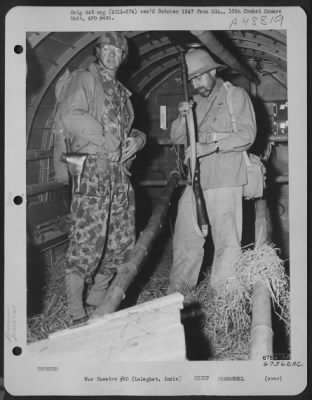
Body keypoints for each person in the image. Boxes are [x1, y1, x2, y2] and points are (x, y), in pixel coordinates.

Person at [58, 32, 146, 325]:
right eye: (106, 50)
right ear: (98, 53)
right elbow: (71, 116)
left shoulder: (122, 92)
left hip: (119, 174)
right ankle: (75, 312)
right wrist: (108, 141)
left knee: (119, 241)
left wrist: (138, 139)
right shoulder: (85, 79)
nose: (111, 55)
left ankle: (98, 304)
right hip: (93, 168)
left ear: (123, 57)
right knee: (88, 240)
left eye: (117, 52)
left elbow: (128, 131)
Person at [167, 48, 257, 293]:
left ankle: (225, 303)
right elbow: (176, 137)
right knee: (185, 240)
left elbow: (247, 136)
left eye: (200, 77)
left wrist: (210, 146)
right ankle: (176, 300)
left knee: (227, 246)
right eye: (193, 79)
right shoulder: (194, 103)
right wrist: (182, 115)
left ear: (213, 71)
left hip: (226, 179)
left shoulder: (235, 96)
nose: (197, 83)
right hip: (196, 179)